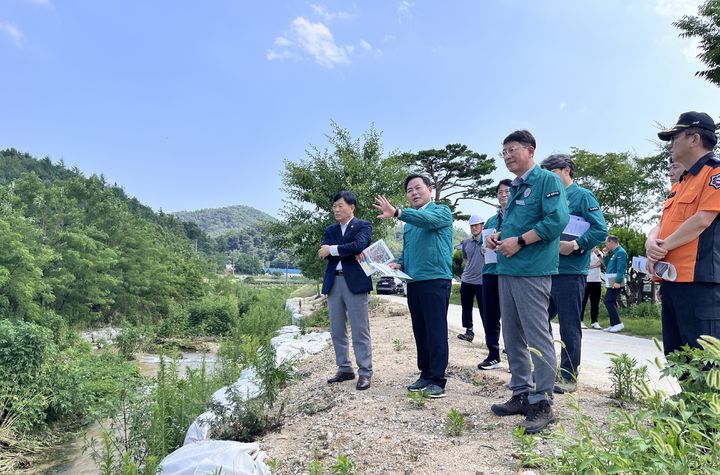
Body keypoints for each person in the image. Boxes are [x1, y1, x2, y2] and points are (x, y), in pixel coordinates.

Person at [486, 130, 569, 434]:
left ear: (530, 150)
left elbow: (556, 221)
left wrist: (519, 241)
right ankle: (521, 392)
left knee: (537, 336)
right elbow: (514, 224)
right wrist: (499, 237)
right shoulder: (517, 187)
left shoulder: (546, 180)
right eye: (503, 151)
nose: (507, 156)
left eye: (512, 150)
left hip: (533, 270)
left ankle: (543, 402)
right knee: (513, 335)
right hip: (508, 270)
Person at [646, 111, 720, 357]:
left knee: (704, 362)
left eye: (674, 137)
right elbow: (664, 222)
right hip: (672, 281)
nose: (670, 144)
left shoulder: (715, 173)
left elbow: (702, 219)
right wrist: (651, 242)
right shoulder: (682, 182)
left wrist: (663, 246)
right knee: (677, 358)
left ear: (694, 138)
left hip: (699, 284)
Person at [374, 174, 453, 398]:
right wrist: (399, 263)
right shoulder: (409, 223)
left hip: (436, 279)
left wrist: (398, 212)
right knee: (421, 330)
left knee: (436, 330)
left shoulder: (441, 211)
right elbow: (409, 251)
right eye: (409, 190)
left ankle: (438, 379)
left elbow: (428, 221)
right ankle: (425, 373)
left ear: (429, 189)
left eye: (418, 188)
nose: (414, 193)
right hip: (414, 281)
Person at [540, 154, 608, 394]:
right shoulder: (549, 197)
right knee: (538, 321)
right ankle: (544, 370)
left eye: (552, 172)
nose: (549, 178)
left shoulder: (583, 196)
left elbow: (601, 229)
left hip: (570, 271)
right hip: (546, 268)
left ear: (567, 170)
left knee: (569, 325)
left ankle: (568, 376)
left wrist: (577, 245)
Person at [319, 191, 374, 391]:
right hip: (334, 282)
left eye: (340, 205)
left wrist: (333, 250)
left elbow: (360, 244)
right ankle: (344, 368)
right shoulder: (331, 229)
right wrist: (348, 250)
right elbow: (322, 253)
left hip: (355, 283)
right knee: (337, 329)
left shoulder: (363, 225)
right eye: (334, 206)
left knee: (360, 329)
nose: (336, 209)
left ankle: (365, 372)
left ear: (352, 207)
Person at [478, 179, 512, 371]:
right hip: (491, 271)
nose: (503, 195)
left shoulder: (518, 217)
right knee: (490, 315)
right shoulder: (491, 221)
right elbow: (482, 245)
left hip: (510, 271)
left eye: (507, 191)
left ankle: (515, 358)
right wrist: (484, 248)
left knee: (511, 316)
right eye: (500, 192)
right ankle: (493, 354)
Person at [457, 214, 486, 343]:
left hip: (482, 281)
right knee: (466, 307)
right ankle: (469, 331)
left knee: (485, 309)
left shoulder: (487, 241)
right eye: (472, 226)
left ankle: (489, 334)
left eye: (476, 225)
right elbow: (465, 259)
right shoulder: (466, 243)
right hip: (467, 280)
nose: (474, 228)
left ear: (482, 226)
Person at [602, 235, 627, 333]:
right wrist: (605, 255)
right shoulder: (615, 253)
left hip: (616, 280)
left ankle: (618, 323)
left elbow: (621, 268)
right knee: (610, 301)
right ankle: (613, 324)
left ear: (611, 242)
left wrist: (617, 282)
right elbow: (609, 265)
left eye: (606, 243)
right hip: (611, 280)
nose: (606, 245)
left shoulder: (621, 252)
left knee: (608, 301)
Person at [581, 247, 603, 330]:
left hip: (597, 280)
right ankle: (580, 320)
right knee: (583, 301)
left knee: (595, 303)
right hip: (587, 280)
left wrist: (598, 256)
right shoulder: (585, 252)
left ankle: (594, 321)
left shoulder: (599, 253)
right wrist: (595, 265)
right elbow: (585, 265)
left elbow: (602, 264)